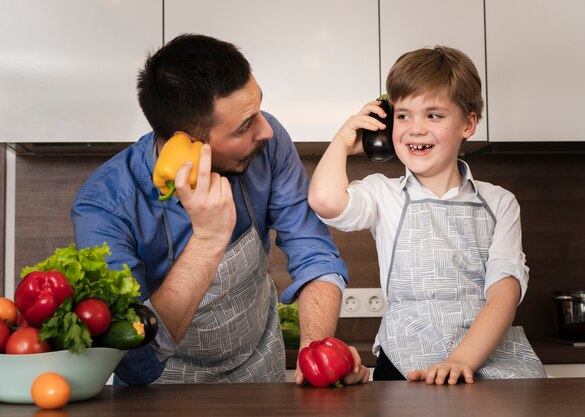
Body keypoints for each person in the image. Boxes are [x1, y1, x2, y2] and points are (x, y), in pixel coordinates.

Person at [71, 33, 370, 385]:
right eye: (245, 126)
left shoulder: (267, 144)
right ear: (188, 144)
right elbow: (134, 359)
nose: (266, 131)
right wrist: (208, 238)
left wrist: (316, 350)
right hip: (159, 387)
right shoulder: (103, 206)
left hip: (259, 369)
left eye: (259, 109)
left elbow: (314, 252)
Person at [308, 46, 547, 384]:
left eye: (433, 115)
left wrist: (460, 360)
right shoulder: (383, 194)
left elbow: (504, 294)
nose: (415, 128)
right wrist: (344, 140)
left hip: (488, 359)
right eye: (403, 115)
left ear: (468, 123)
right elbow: (324, 200)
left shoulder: (500, 202)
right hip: (407, 362)